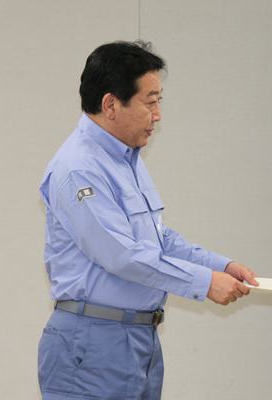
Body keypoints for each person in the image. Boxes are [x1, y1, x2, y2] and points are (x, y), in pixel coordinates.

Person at [38, 40, 259, 400]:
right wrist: (204, 282)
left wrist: (223, 265)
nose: (157, 114)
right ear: (111, 104)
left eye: (159, 102)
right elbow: (121, 255)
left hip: (139, 342)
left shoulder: (125, 158)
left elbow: (158, 241)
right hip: (92, 344)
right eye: (150, 102)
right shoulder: (79, 167)